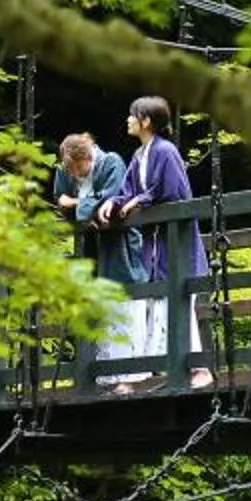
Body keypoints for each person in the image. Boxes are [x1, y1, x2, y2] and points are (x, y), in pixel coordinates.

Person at [111, 94, 212, 393]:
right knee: (152, 305)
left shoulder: (166, 152)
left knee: (177, 303)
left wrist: (139, 200)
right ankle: (141, 373)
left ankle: (200, 369)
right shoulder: (139, 156)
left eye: (133, 115)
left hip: (175, 245)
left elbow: (174, 192)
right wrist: (112, 205)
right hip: (154, 247)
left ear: (146, 121)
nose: (128, 120)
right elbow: (126, 190)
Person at [51, 132, 140, 389]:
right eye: (71, 170)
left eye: (79, 168)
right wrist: (83, 205)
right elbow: (60, 199)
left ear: (88, 157)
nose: (76, 175)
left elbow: (109, 198)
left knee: (123, 301)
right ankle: (101, 374)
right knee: (93, 304)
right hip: (89, 245)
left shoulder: (111, 162)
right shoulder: (64, 170)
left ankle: (129, 375)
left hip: (117, 243)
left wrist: (78, 203)